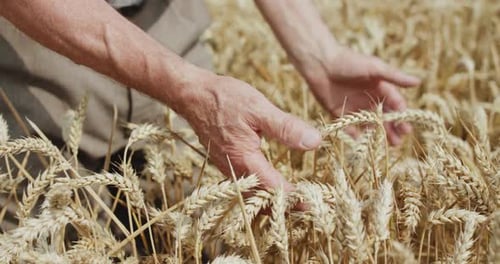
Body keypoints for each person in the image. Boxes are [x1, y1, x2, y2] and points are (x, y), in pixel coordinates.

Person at [0, 0, 420, 192]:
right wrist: (188, 88)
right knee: (53, 236)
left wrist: (319, 52)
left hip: (172, 28)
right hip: (36, 53)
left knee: (213, 234)